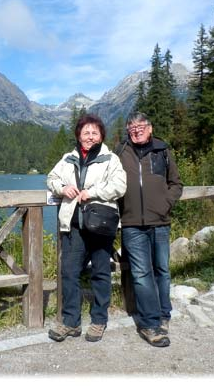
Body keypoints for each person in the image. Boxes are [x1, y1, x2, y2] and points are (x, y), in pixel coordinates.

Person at [47, 114, 127, 343]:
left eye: (95, 132)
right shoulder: (68, 158)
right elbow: (51, 178)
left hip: (101, 225)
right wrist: (62, 188)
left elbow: (120, 186)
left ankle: (99, 320)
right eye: (86, 132)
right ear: (78, 135)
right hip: (74, 225)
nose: (90, 136)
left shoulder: (110, 159)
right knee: (69, 273)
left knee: (101, 273)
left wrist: (92, 193)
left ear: (101, 136)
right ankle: (71, 322)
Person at [116, 112, 183, 347]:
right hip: (132, 224)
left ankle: (165, 314)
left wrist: (166, 203)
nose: (137, 129)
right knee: (142, 274)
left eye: (141, 125)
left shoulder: (162, 150)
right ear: (127, 130)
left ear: (150, 128)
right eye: (132, 126)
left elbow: (176, 183)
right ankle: (150, 324)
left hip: (160, 222)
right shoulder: (120, 152)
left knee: (162, 271)